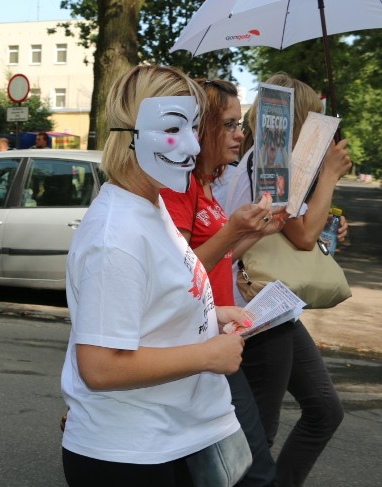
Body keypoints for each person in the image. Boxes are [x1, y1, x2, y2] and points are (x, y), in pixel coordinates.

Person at [61, 65, 251, 486]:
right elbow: (100, 367)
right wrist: (208, 355)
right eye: (173, 128)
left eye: (195, 128)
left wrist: (210, 315)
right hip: (134, 457)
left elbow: (152, 303)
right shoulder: (117, 234)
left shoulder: (153, 206)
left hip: (176, 438)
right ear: (130, 134)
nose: (190, 144)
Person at [224, 73, 350, 486]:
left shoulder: (271, 162)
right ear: (298, 118)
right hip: (256, 306)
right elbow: (301, 234)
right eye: (312, 115)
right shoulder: (268, 160)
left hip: (276, 304)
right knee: (260, 432)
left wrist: (330, 223)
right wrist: (329, 174)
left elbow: (306, 230)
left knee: (324, 410)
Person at [160, 78, 285, 486]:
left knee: (227, 468)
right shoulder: (177, 189)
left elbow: (214, 257)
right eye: (230, 124)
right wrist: (233, 231)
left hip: (211, 337)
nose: (240, 134)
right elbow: (177, 272)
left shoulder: (203, 185)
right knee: (252, 470)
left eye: (240, 124)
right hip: (193, 344)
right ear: (202, 128)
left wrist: (253, 234)